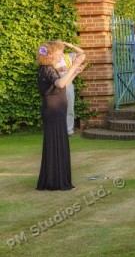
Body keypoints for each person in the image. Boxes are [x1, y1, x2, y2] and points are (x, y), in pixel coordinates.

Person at [36, 41, 85, 190]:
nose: (61, 55)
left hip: (57, 110)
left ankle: (56, 179)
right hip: (53, 110)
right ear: (49, 55)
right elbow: (60, 84)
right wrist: (74, 65)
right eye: (58, 53)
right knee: (55, 144)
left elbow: (63, 84)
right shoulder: (47, 69)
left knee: (59, 143)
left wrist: (74, 73)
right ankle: (55, 182)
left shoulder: (50, 69)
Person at [55, 42, 84, 136]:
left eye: (62, 46)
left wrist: (70, 45)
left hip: (69, 83)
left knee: (69, 108)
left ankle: (69, 131)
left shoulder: (68, 56)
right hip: (56, 84)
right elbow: (47, 70)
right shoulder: (52, 58)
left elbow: (82, 52)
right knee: (56, 109)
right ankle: (58, 130)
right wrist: (59, 70)